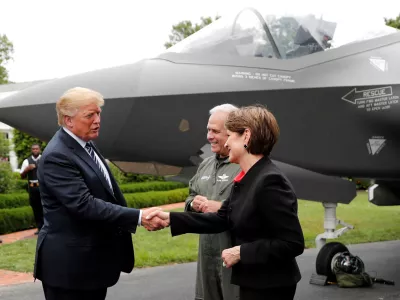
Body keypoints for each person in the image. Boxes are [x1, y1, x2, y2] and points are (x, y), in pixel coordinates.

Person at [148, 105, 305, 300]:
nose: (227, 142)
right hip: (252, 282)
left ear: (246, 136)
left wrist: (241, 252)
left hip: (270, 287)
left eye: (230, 135)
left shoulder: (269, 181)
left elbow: (292, 243)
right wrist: (170, 218)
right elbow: (221, 219)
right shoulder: (248, 177)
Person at [35, 87, 167, 300]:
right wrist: (139, 217)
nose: (97, 120)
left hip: (89, 264)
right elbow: (84, 205)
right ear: (68, 120)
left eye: (98, 114)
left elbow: (108, 193)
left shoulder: (84, 144)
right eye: (90, 115)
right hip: (70, 269)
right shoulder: (57, 156)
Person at [185, 104, 241, 300]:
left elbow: (257, 210)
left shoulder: (246, 165)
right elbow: (191, 195)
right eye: (208, 130)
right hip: (207, 258)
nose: (209, 136)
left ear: (233, 133)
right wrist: (193, 204)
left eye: (215, 131)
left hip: (235, 260)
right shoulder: (207, 164)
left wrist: (221, 208)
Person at [20, 144, 44, 234]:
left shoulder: (44, 159)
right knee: (36, 208)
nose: (35, 150)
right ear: (31, 150)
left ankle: (47, 226)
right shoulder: (27, 161)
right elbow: (21, 176)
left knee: (45, 207)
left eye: (37, 149)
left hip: (42, 187)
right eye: (33, 149)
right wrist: (27, 169)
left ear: (39, 150)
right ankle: (39, 227)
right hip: (32, 188)